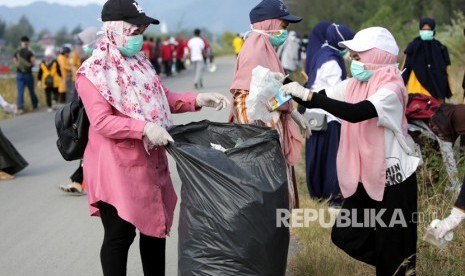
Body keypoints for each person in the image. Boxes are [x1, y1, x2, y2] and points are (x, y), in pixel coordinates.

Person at [75, 0, 230, 274]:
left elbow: (162, 97)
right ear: (114, 29)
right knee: (120, 235)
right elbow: (101, 121)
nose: (138, 38)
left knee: (155, 230)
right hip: (116, 166)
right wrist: (144, 128)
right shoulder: (92, 73)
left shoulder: (140, 63)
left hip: (149, 161)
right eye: (133, 32)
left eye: (140, 32)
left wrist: (198, 99)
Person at [281, 27, 421, 275]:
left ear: (376, 56)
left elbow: (355, 113)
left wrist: (308, 95)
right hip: (366, 177)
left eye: (357, 57)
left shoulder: (392, 88)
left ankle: (397, 266)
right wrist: (283, 84)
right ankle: (395, 265)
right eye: (352, 56)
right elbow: (318, 97)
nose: (352, 62)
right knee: (345, 234)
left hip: (395, 181)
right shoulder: (355, 84)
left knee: (395, 245)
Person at [230, 0, 308, 209]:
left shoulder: (266, 50)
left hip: (272, 135)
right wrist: (258, 142)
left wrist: (291, 112)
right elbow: (244, 101)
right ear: (269, 24)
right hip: (263, 141)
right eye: (282, 27)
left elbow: (270, 95)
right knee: (268, 199)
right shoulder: (255, 52)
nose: (284, 32)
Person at [302, 23, 354, 207]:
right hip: (328, 115)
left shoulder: (322, 51)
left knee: (317, 153)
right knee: (332, 156)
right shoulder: (332, 60)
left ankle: (318, 192)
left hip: (313, 112)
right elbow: (337, 90)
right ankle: (333, 195)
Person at [60, 26, 102, 195]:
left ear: (92, 43)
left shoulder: (97, 64)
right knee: (89, 150)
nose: (77, 47)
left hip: (95, 115)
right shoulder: (88, 62)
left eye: (80, 44)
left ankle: (79, 182)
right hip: (86, 114)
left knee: (91, 149)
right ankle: (78, 182)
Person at [402, 17, 452, 102]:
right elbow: (405, 70)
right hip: (417, 92)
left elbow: (444, 73)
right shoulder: (413, 47)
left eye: (428, 30)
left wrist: (448, 94)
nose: (426, 32)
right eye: (424, 30)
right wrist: (400, 89)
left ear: (433, 30)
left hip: (436, 94)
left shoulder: (440, 48)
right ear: (420, 30)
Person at [12, 35, 39, 114]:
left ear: (21, 43)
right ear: (28, 43)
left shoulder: (17, 53)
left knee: (20, 91)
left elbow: (14, 62)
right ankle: (35, 105)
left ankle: (20, 108)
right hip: (28, 74)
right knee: (31, 91)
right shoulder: (30, 52)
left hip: (19, 74)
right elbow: (33, 63)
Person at [37, 47, 61, 112]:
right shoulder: (55, 61)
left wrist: (39, 80)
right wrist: (61, 77)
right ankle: (54, 100)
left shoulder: (42, 62)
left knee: (48, 94)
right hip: (55, 81)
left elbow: (40, 72)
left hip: (46, 81)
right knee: (56, 93)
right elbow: (59, 70)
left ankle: (49, 107)